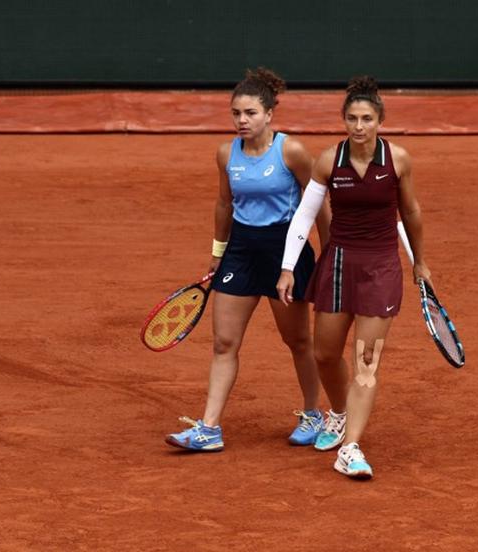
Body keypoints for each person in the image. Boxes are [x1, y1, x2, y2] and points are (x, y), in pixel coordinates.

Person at [165, 68, 330, 452]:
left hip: (284, 249)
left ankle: (313, 412)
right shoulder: (226, 154)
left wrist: (329, 251)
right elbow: (225, 203)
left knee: (298, 340)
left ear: (269, 114)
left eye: (251, 112)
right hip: (241, 248)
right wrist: (217, 253)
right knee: (224, 342)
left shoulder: (290, 151)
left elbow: (315, 201)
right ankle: (209, 427)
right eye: (236, 113)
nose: (242, 120)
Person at [276, 76, 431, 480]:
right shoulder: (329, 160)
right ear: (344, 121)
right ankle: (339, 413)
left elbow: (410, 213)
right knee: (325, 354)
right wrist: (288, 266)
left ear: (380, 121)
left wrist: (420, 262)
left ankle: (351, 448)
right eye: (352, 118)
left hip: (381, 267)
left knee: (365, 360)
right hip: (339, 264)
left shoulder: (398, 159)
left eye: (367, 118)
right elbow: (305, 216)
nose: (359, 126)